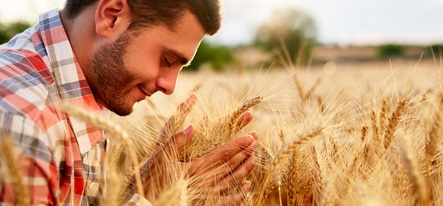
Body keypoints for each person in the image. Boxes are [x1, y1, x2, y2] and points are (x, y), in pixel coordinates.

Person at [0, 0, 259, 205]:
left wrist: (141, 187)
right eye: (167, 60)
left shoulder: (88, 82)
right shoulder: (23, 121)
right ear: (111, 16)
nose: (170, 87)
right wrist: (152, 200)